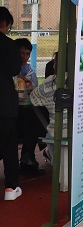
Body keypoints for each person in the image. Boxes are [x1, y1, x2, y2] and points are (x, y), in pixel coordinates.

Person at [0, 7, 23, 201]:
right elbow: (15, 69)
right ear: (4, 23)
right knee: (8, 145)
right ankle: (10, 188)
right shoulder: (9, 45)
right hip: (4, 103)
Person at [15, 37, 45, 173]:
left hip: (25, 107)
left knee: (34, 116)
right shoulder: (9, 69)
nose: (24, 56)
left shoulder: (30, 72)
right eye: (22, 53)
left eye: (27, 53)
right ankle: (28, 157)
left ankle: (28, 156)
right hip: (13, 109)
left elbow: (35, 91)